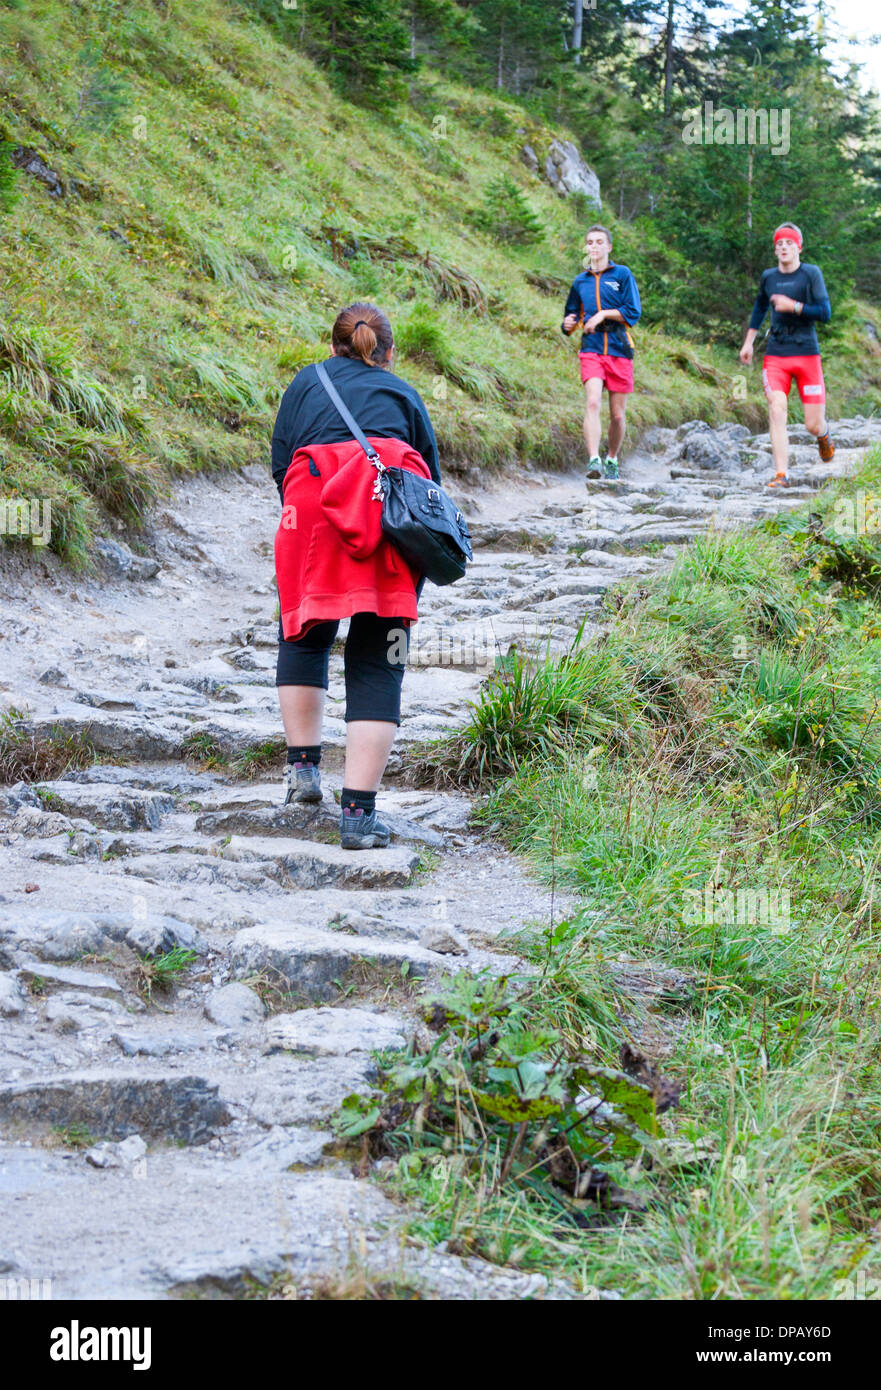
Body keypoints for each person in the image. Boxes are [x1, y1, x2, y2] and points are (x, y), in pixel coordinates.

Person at [271, 302, 441, 850]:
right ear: (388, 354)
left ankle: (302, 776)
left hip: (312, 510)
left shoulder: (304, 383)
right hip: (384, 519)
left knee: (303, 633)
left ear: (332, 346)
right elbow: (429, 487)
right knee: (377, 658)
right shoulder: (404, 394)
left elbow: (280, 465)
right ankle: (357, 816)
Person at [740, 222, 834, 487]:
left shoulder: (811, 274)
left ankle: (824, 435)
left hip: (807, 355)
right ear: (775, 249)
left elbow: (825, 313)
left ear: (798, 247)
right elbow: (760, 307)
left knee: (813, 425)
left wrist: (794, 306)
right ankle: (782, 474)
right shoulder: (769, 277)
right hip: (777, 355)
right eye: (779, 243)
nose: (783, 247)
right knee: (776, 408)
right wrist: (749, 342)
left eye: (788, 243)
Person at [561, 224, 642, 480]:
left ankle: (612, 458)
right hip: (592, 347)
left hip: (619, 348)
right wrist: (568, 324)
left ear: (609, 247)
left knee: (617, 415)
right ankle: (594, 459)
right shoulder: (580, 281)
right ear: (586, 247)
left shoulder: (622, 275)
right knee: (593, 401)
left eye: (599, 242)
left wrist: (604, 314)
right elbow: (571, 315)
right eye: (590, 242)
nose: (594, 246)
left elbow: (633, 311)